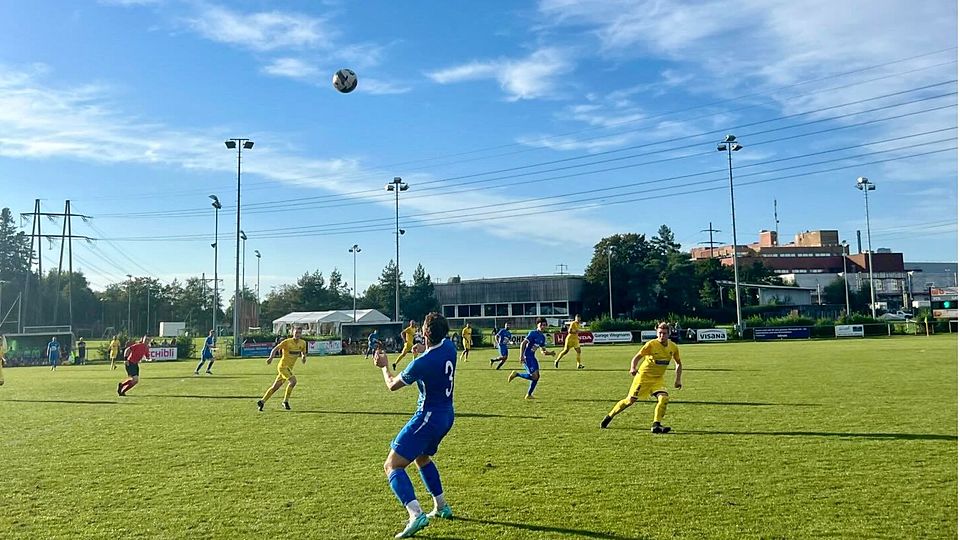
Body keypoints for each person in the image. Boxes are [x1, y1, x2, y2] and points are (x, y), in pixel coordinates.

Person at [372, 312, 456, 538]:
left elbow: (392, 385)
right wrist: (423, 350)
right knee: (422, 457)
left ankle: (415, 513)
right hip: (447, 415)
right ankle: (441, 506)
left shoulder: (422, 363)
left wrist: (383, 366)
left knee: (392, 465)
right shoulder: (450, 348)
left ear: (425, 334)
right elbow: (433, 358)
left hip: (427, 418)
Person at [600, 322, 682, 433]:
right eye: (660, 333)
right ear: (657, 333)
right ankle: (610, 416)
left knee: (664, 398)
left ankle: (656, 425)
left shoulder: (673, 347)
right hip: (643, 378)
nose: (662, 336)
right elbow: (636, 357)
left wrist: (678, 380)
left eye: (664, 333)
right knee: (630, 401)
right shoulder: (651, 345)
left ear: (669, 334)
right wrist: (633, 368)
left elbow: (678, 363)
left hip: (657, 379)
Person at [257, 327, 307, 412]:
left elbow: (303, 352)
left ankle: (262, 401)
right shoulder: (287, 342)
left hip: (288, 369)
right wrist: (270, 358)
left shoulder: (303, 343)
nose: (298, 334)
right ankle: (285, 401)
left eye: (299, 333)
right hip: (283, 367)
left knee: (275, 387)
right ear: (292, 333)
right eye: (296, 332)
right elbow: (275, 349)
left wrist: (303, 357)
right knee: (293, 381)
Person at [508, 317, 554, 399]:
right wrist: (521, 356)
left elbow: (543, 351)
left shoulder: (542, 337)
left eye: (544, 325)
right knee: (534, 376)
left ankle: (529, 395)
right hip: (527, 357)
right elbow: (523, 343)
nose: (543, 327)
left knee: (537, 376)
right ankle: (517, 374)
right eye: (541, 325)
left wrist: (550, 353)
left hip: (532, 357)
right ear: (537, 325)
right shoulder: (533, 333)